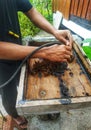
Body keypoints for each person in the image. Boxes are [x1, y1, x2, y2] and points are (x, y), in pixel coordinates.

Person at [0, 0, 73, 129]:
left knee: (24, 82)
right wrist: (44, 52)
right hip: (1, 65)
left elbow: (31, 11)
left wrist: (55, 31)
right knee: (8, 93)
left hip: (17, 48)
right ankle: (16, 117)